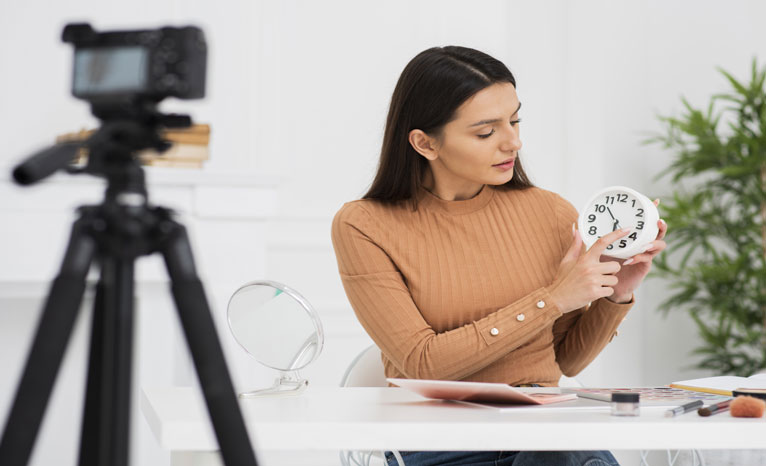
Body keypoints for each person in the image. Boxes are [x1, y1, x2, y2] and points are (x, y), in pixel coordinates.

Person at [330, 46, 667, 466]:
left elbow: (563, 360)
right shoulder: (366, 225)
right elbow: (423, 363)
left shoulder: (550, 212)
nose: (514, 141)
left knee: (563, 451)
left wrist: (616, 294)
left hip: (546, 434)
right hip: (444, 447)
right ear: (424, 142)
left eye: (515, 119)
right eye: (486, 132)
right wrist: (553, 299)